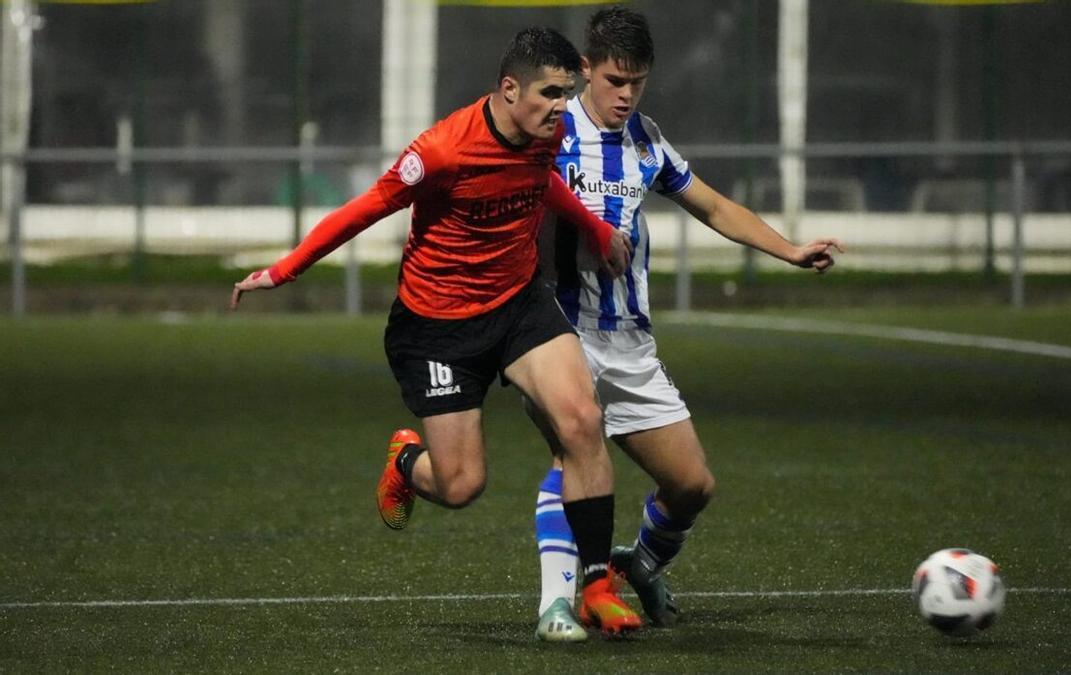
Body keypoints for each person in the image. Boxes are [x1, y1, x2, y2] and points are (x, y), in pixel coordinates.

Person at [231, 26, 643, 637]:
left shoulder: (544, 133)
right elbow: (365, 207)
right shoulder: (444, 150)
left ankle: (597, 586)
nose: (563, 107)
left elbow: (539, 182)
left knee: (582, 420)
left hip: (518, 304)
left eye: (568, 92)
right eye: (551, 93)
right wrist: (283, 271)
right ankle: (406, 462)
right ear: (509, 89)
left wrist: (594, 228)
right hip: (438, 327)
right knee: (461, 485)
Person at [529, 7, 844, 641]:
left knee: (692, 484)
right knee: (575, 451)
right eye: (615, 80)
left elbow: (713, 205)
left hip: (630, 342)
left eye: (637, 82)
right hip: (558, 332)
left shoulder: (645, 139)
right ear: (586, 69)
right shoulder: (550, 133)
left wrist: (788, 249)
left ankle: (641, 564)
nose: (625, 95)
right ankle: (557, 604)